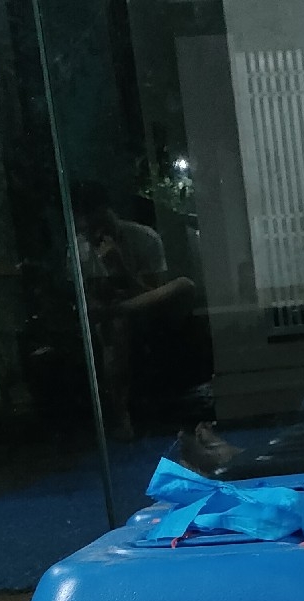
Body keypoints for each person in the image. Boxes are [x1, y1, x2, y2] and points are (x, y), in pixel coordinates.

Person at [71, 182, 194, 440]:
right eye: (87, 227)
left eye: (99, 221)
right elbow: (88, 300)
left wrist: (120, 268)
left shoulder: (144, 238)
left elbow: (155, 295)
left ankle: (117, 313)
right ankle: (121, 416)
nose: (95, 231)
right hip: (112, 319)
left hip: (146, 310)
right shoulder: (79, 249)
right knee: (115, 328)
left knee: (184, 285)